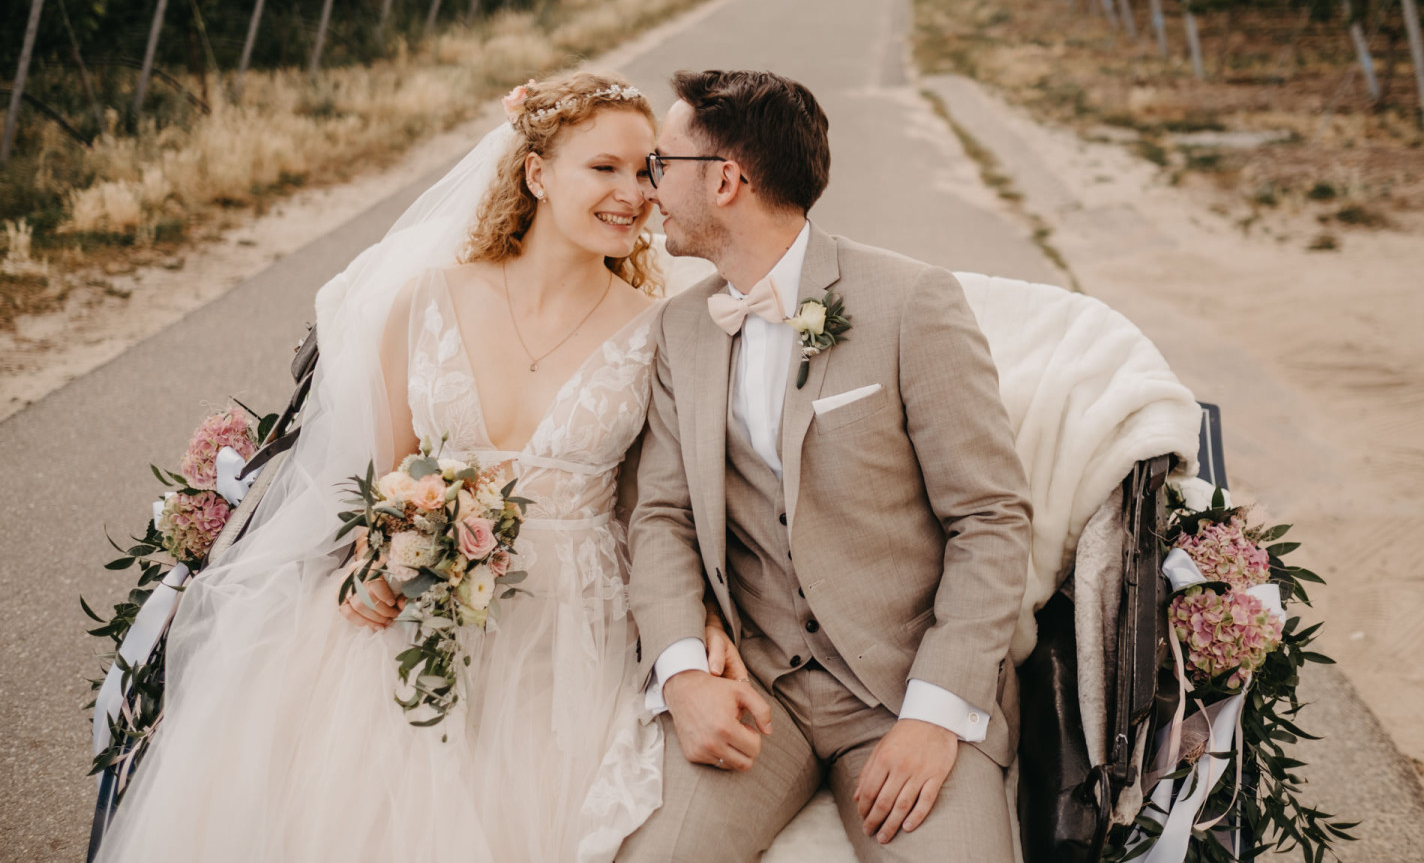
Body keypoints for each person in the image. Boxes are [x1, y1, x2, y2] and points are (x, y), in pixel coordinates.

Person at [94, 72, 735, 863]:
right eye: (604, 168)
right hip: (413, 607)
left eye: (648, 172)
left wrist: (694, 617)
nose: (633, 194)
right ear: (536, 173)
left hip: (572, 630)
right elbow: (382, 480)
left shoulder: (660, 329)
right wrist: (373, 560)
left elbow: (661, 506)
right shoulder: (427, 300)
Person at [619, 70, 1034, 862]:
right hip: (758, 693)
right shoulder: (682, 329)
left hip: (900, 693)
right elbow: (662, 518)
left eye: (660, 165)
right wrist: (681, 674)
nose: (649, 188)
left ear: (727, 180)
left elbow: (991, 519)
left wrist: (936, 714)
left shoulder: (912, 302)